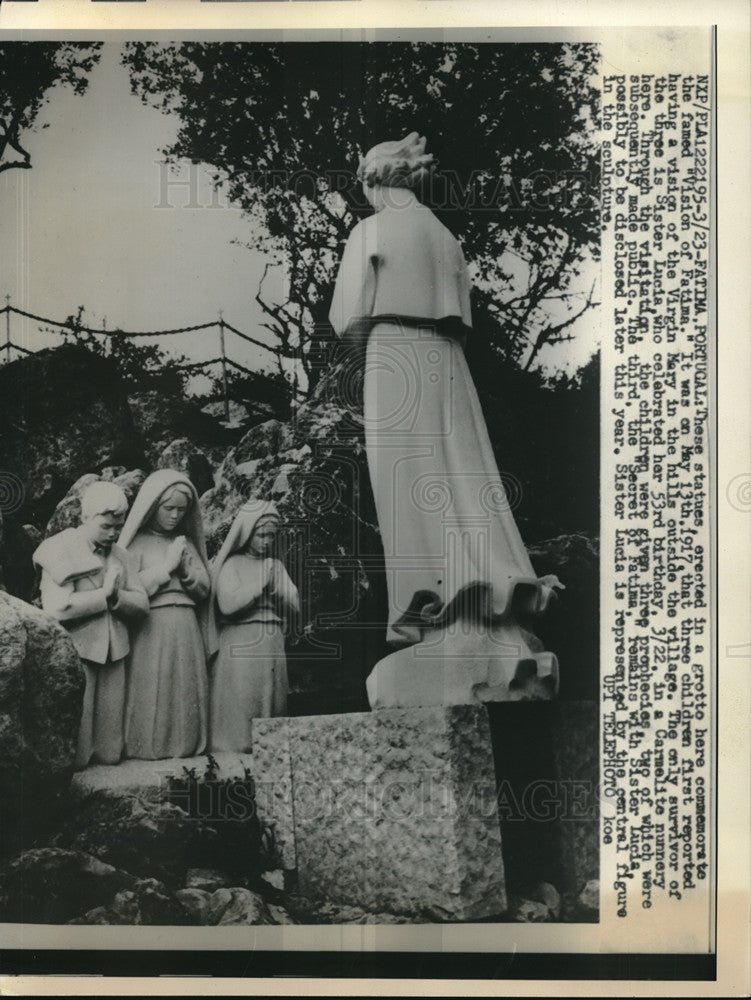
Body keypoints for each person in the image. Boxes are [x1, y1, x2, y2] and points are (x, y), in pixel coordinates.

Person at [328, 132, 563, 704]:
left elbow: (346, 313)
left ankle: (447, 606)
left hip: (394, 356)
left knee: (408, 478)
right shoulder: (444, 234)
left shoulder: (372, 230)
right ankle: (490, 601)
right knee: (463, 470)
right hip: (447, 361)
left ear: (375, 181)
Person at [33, 482, 149, 768]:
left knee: (110, 751)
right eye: (106, 526)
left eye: (118, 527)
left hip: (115, 650)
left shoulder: (121, 555)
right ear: (85, 518)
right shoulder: (59, 548)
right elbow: (57, 607)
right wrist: (103, 596)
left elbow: (142, 604)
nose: (113, 534)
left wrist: (117, 597)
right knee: (78, 744)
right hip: (78, 649)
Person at [118, 469, 211, 760]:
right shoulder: (137, 544)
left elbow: (205, 588)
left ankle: (185, 744)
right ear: (152, 506)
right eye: (168, 508)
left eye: (181, 510)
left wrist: (185, 570)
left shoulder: (187, 544)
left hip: (185, 622)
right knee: (151, 684)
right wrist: (167, 568)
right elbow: (128, 586)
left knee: (185, 685)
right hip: (151, 625)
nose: (174, 516)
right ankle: (147, 745)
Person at [208, 500, 299, 752]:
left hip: (270, 637)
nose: (267, 541)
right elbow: (228, 604)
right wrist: (260, 583)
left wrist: (280, 590)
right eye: (261, 535)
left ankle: (269, 748)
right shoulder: (231, 564)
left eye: (271, 535)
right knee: (242, 695)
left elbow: (295, 603)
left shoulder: (275, 566)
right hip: (240, 637)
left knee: (271, 696)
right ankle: (235, 747)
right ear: (247, 532)